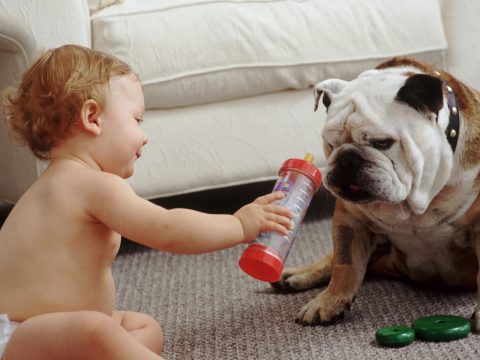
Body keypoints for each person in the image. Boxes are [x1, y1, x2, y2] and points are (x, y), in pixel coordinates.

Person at [0, 45, 293, 360]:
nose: (144, 136)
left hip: (49, 337)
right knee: (98, 331)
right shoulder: (90, 185)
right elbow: (166, 229)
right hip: (18, 335)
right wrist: (239, 225)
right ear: (92, 117)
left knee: (142, 328)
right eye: (136, 119)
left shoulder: (56, 184)